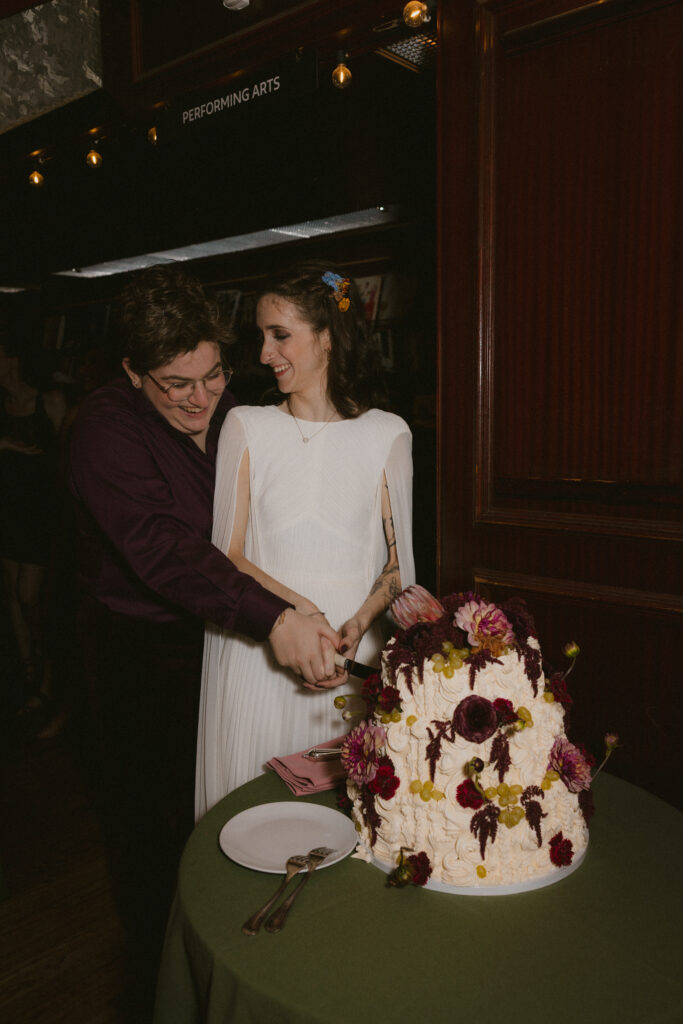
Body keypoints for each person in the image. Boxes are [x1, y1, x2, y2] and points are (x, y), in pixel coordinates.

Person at [67, 265, 340, 1019]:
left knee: (234, 820)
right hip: (140, 664)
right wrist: (276, 619)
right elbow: (167, 549)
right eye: (174, 384)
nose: (199, 397)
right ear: (132, 373)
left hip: (222, 647)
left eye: (212, 374)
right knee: (159, 851)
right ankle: (172, 996)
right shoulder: (102, 431)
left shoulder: (229, 412)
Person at [195, 262, 415, 817]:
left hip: (348, 663)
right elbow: (229, 555)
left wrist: (357, 626)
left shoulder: (388, 433)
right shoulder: (247, 424)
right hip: (264, 655)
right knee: (253, 814)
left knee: (345, 819)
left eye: (280, 335)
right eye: (262, 337)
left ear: (326, 338)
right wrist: (300, 611)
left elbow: (397, 568)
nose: (266, 354)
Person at [0, 331, 61, 717]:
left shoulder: (48, 401)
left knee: (30, 597)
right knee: (11, 598)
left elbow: (64, 462)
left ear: (13, 358)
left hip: (40, 515)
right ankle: (29, 674)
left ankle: (49, 668)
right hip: (6, 513)